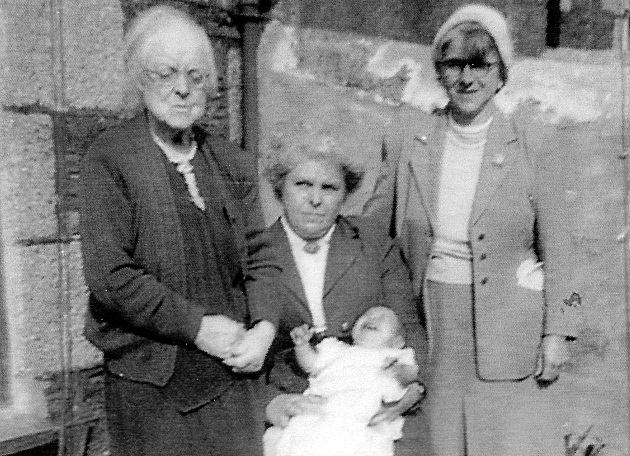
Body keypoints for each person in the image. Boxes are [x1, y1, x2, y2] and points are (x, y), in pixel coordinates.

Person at [364, 4, 580, 455]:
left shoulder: (534, 143)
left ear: (502, 73)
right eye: (453, 64)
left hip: (509, 328)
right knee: (440, 442)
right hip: (431, 321)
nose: (467, 78)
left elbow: (561, 247)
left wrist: (558, 331)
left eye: (481, 64)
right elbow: (373, 234)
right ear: (438, 72)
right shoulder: (408, 138)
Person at [79, 6, 263, 456]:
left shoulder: (231, 161)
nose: (182, 89)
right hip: (150, 384)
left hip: (231, 377)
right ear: (140, 79)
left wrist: (263, 328)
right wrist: (196, 327)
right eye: (165, 73)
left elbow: (262, 257)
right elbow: (111, 279)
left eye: (196, 76)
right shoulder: (111, 159)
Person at [224, 129, 430, 455]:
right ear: (280, 187)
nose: (315, 199)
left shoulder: (372, 242)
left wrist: (415, 388)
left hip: (374, 398)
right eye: (302, 184)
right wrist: (269, 403)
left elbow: (408, 325)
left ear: (345, 194)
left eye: (329, 187)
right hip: (293, 400)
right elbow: (232, 348)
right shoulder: (250, 253)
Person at [264, 306, 421, 456]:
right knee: (302, 435)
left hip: (366, 411)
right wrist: (302, 345)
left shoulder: (395, 355)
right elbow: (310, 365)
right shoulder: (335, 349)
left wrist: (400, 371)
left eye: (383, 318)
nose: (372, 318)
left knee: (363, 444)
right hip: (323, 405)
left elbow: (410, 378)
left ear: (397, 342)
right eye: (365, 316)